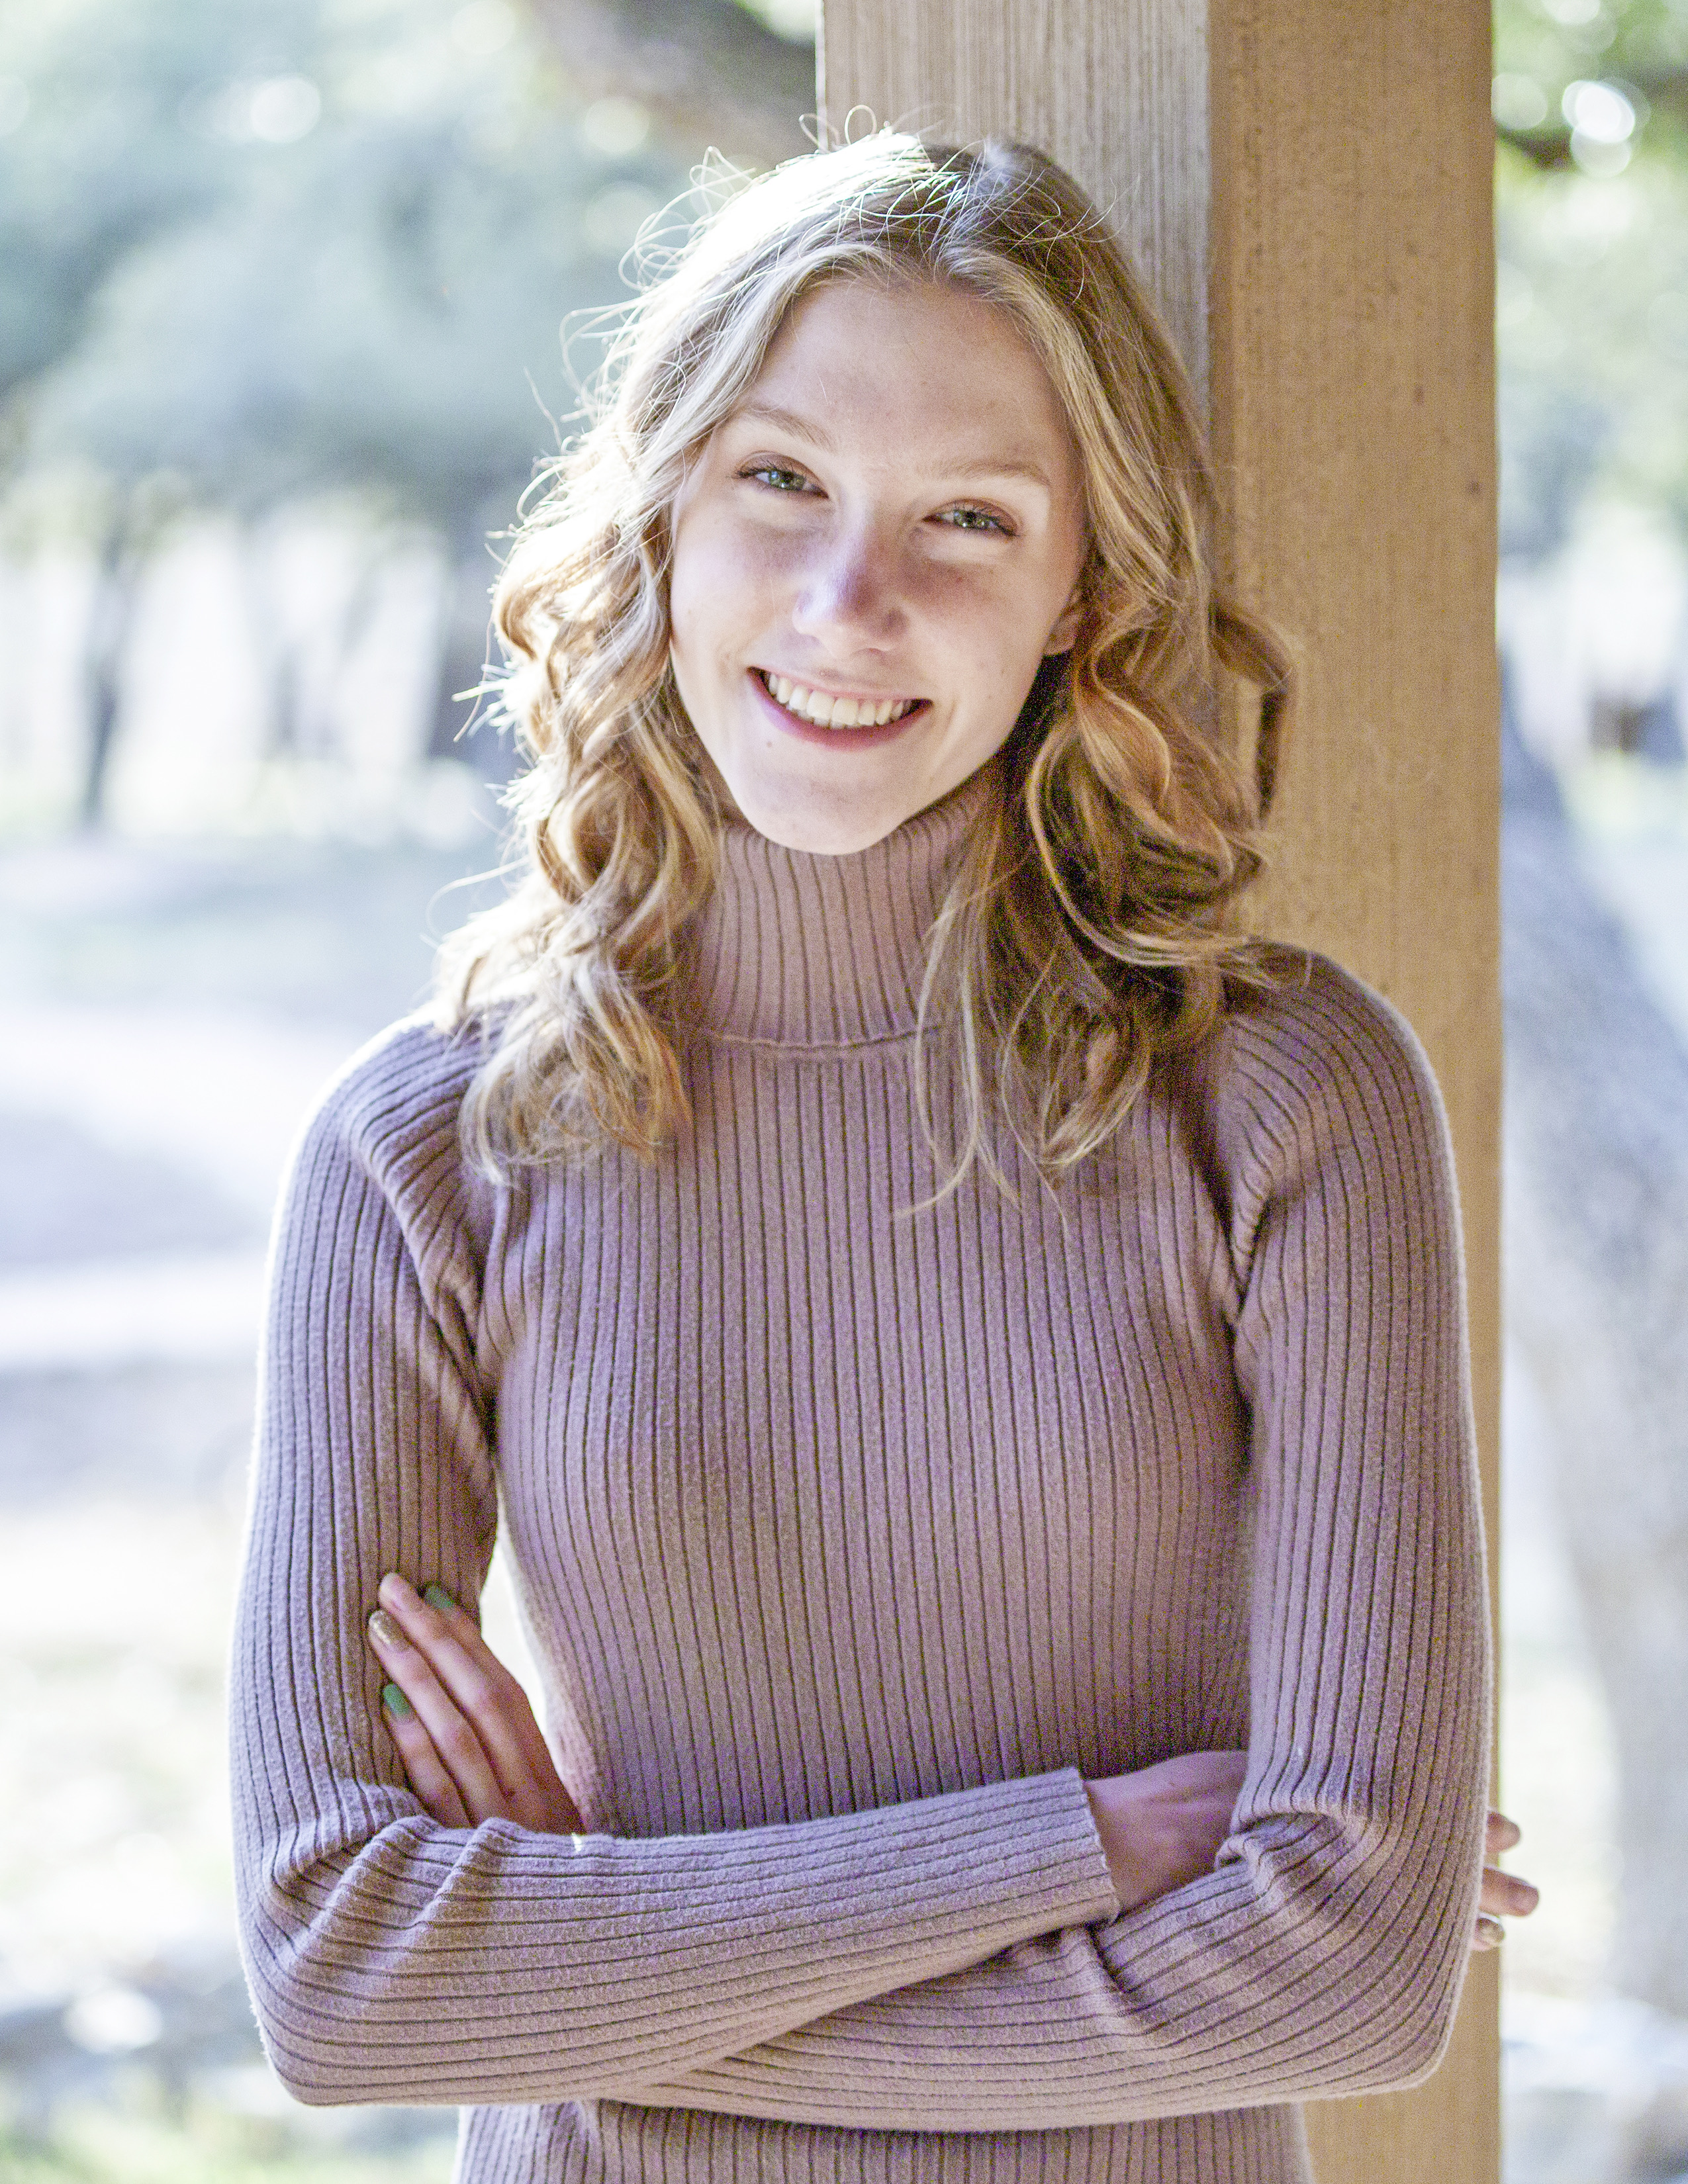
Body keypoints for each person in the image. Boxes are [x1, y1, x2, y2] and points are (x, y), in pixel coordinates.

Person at [229, 133, 1536, 2184]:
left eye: (969, 518)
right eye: (782, 481)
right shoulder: (431, 1150)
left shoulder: (1281, 1095)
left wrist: (614, 1969)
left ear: (1080, 590)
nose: (855, 600)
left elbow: (1353, 1971)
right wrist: (1083, 1846)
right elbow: (345, 1972)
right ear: (660, 503)